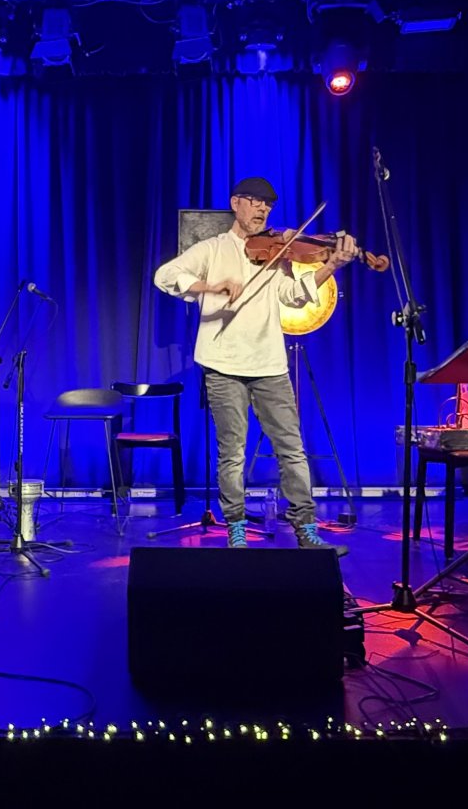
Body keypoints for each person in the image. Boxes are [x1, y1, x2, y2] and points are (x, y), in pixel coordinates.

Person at [152, 176, 360, 553]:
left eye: (268, 204)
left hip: (269, 365)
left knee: (291, 449)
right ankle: (236, 527)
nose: (263, 209)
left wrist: (331, 265)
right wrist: (208, 287)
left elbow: (294, 296)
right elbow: (164, 276)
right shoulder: (212, 249)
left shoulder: (278, 253)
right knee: (232, 453)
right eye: (255, 201)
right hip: (222, 365)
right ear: (236, 203)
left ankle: (306, 528)